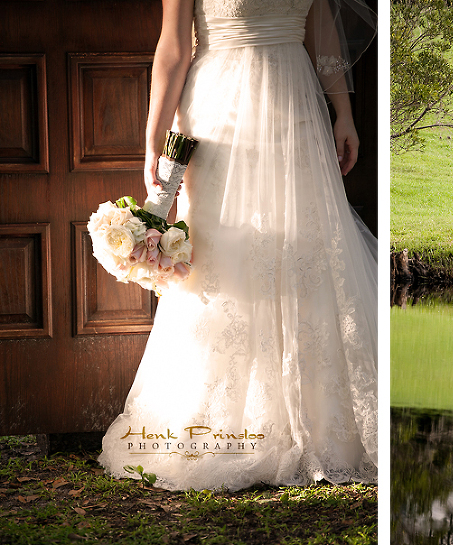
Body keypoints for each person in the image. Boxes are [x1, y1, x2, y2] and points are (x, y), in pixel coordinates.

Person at [98, 0, 378, 491]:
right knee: (223, 257)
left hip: (295, 108)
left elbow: (321, 31)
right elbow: (174, 47)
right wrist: (154, 139)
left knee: (307, 245)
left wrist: (344, 112)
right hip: (220, 113)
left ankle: (314, 421)